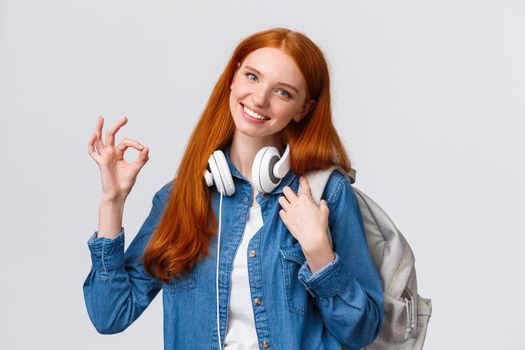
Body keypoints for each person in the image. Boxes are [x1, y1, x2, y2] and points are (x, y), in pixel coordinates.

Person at [84, 27, 383, 350]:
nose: (259, 98)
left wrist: (318, 252)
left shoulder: (326, 194)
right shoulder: (181, 198)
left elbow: (362, 330)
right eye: (252, 77)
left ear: (303, 109)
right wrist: (112, 202)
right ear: (233, 77)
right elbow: (110, 315)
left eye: (283, 92)